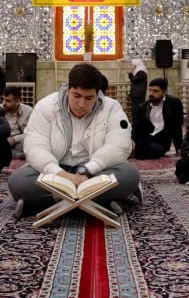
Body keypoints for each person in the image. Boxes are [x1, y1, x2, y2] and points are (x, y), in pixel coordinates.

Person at [8, 62, 139, 218]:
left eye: (89, 98)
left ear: (97, 95)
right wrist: (60, 173)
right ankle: (100, 201)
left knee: (129, 174)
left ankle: (50, 202)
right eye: (76, 96)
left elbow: (119, 146)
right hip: (57, 170)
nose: (81, 104)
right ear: (67, 90)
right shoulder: (46, 106)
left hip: (94, 172)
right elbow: (35, 146)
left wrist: (87, 170)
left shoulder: (111, 108)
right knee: (18, 182)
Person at [133, 77, 184, 159]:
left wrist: (178, 147)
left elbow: (177, 126)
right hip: (146, 138)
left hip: (161, 140)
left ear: (164, 92)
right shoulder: (143, 107)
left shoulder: (173, 103)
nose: (151, 93)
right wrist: (132, 141)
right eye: (150, 90)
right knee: (127, 146)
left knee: (153, 150)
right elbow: (136, 127)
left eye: (155, 91)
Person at [2, 87, 33, 159]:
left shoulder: (28, 111)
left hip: (19, 141)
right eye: (3, 99)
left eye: (8, 101)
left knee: (27, 143)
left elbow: (32, 132)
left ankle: (12, 154)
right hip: (3, 141)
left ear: (17, 101)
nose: (4, 103)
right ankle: (15, 154)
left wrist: (14, 139)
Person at [128, 58, 148, 131]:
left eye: (134, 66)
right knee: (135, 112)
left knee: (137, 112)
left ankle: (137, 128)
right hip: (137, 95)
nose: (133, 67)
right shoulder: (140, 72)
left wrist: (130, 74)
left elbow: (134, 80)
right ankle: (136, 126)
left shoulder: (141, 72)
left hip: (138, 96)